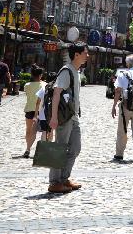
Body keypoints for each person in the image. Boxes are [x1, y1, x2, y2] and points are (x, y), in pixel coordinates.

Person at [48, 42, 88, 194]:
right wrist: (53, 117)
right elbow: (57, 93)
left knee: (75, 148)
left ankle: (64, 178)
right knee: (59, 148)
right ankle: (54, 182)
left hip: (73, 116)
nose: (87, 55)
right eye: (85, 52)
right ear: (76, 55)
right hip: (64, 117)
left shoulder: (76, 71)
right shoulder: (67, 71)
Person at [22, 65, 44, 158]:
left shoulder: (27, 85)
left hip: (29, 109)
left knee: (28, 130)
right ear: (41, 75)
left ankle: (28, 148)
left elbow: (27, 94)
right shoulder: (44, 85)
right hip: (40, 110)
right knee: (38, 132)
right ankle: (35, 149)